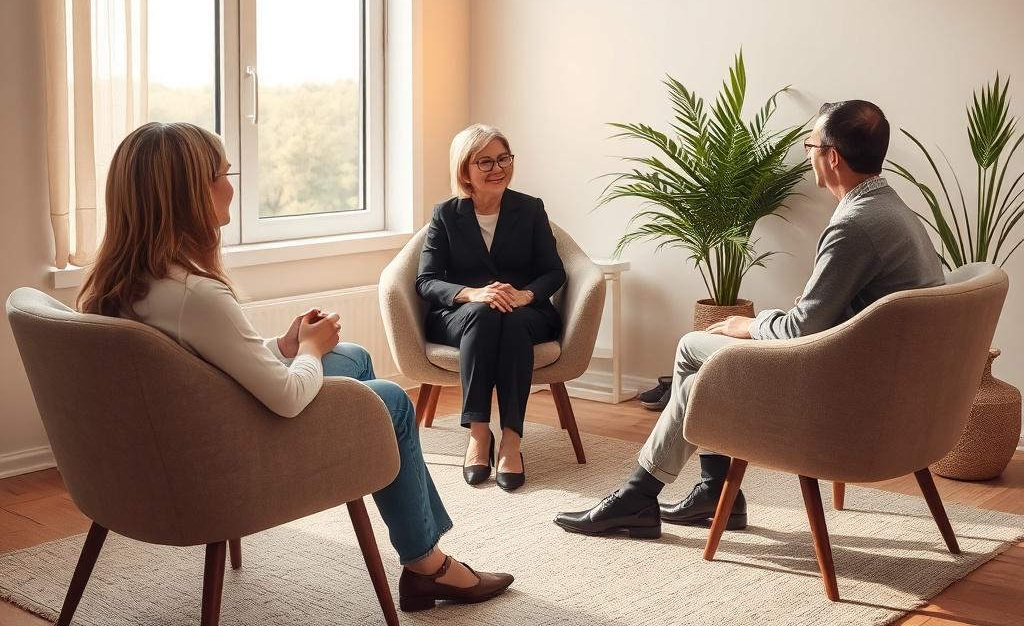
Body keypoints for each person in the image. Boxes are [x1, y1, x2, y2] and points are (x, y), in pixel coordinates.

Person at [77, 122, 513, 611]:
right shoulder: (195, 295)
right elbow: (284, 397)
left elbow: (197, 366)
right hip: (221, 466)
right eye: (222, 174)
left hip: (177, 444)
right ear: (186, 195)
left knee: (353, 360)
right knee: (386, 400)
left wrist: (283, 345)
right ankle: (426, 565)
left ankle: (394, 509)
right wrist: (308, 349)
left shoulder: (122, 286)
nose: (231, 186)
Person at [555, 100, 944, 538]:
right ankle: (699, 492)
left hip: (847, 396)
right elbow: (847, 313)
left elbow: (802, 329)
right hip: (891, 390)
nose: (807, 153)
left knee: (692, 349)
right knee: (706, 359)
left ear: (832, 157)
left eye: (810, 144)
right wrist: (789, 315)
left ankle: (651, 494)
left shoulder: (855, 224)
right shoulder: (893, 211)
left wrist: (751, 324)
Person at [416, 124, 565, 491]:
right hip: (465, 314)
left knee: (509, 319)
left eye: (503, 158)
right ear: (464, 169)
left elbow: (553, 271)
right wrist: (472, 293)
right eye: (485, 161)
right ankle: (479, 435)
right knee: (486, 313)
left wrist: (525, 295)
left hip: (524, 311)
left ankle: (511, 440)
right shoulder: (446, 215)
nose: (498, 168)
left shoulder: (530, 209)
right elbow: (426, 280)